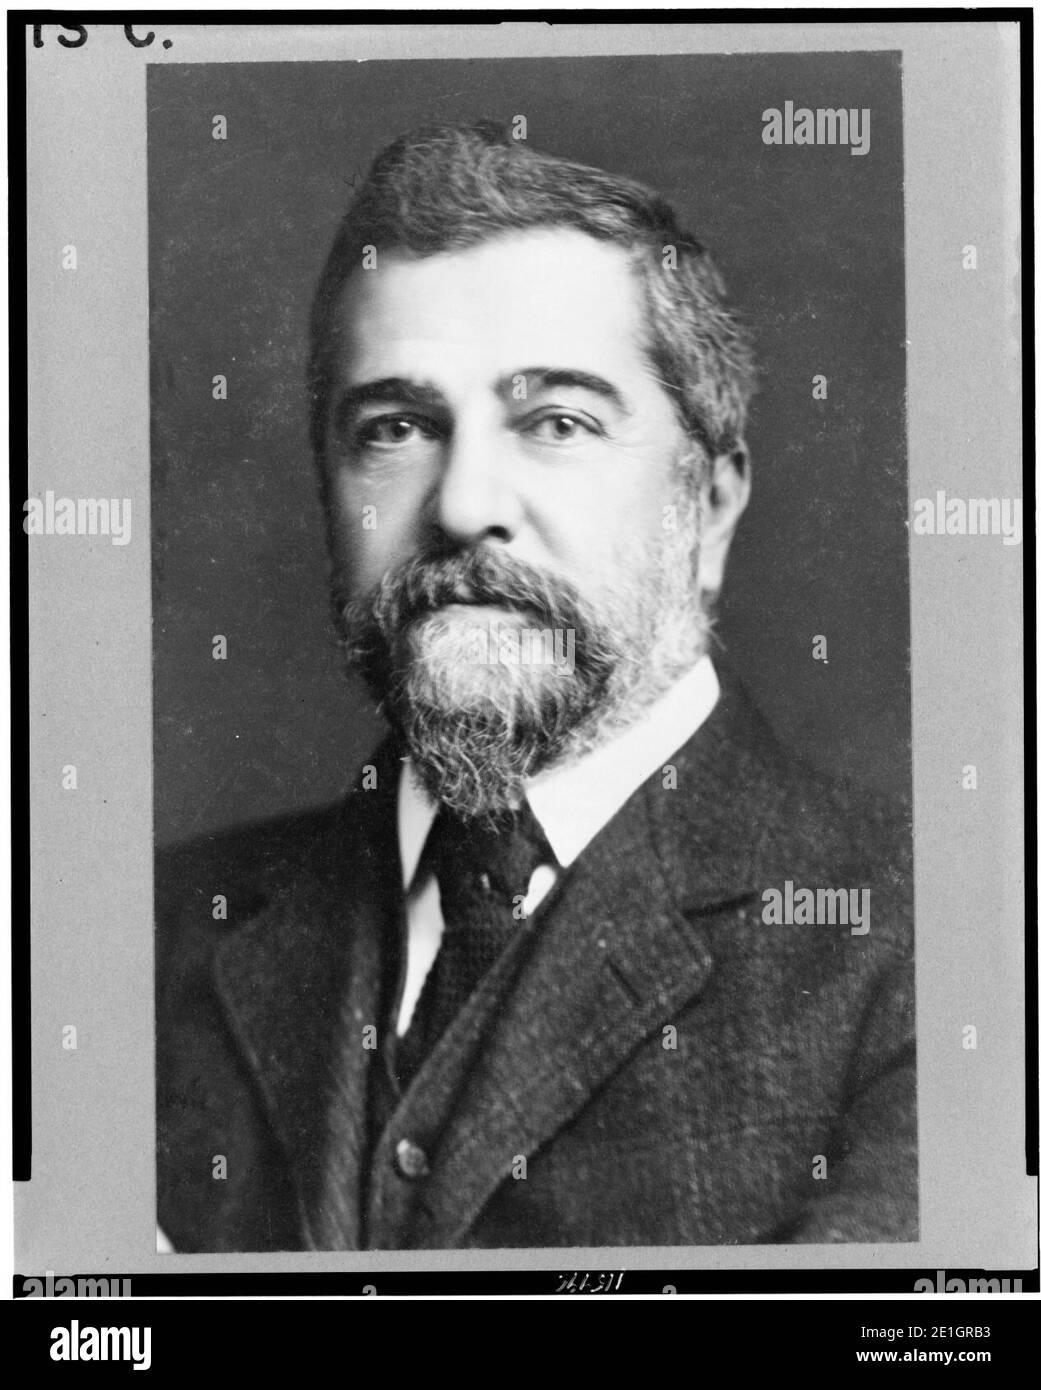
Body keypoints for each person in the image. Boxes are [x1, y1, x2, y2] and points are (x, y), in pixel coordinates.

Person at [156, 122, 916, 1252]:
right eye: (397, 428)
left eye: (556, 420)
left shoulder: (945, 943)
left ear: (707, 502)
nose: (462, 503)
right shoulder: (141, 932)